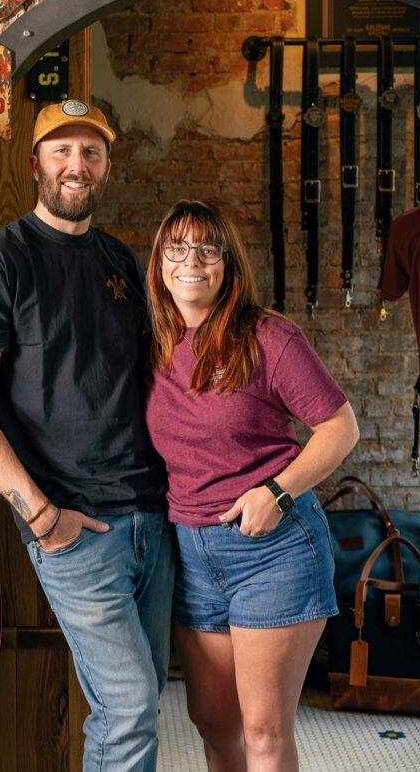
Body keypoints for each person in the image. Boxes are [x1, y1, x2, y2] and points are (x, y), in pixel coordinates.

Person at [0, 100, 173, 772]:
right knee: (129, 707)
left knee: (140, 697)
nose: (78, 165)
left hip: (151, 517)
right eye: (62, 150)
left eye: (92, 152)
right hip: (75, 524)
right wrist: (41, 516)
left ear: (106, 165)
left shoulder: (120, 260)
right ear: (36, 162)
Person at [144, 200, 359, 772]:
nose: (192, 262)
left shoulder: (270, 338)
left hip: (274, 550)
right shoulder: (155, 345)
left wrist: (278, 491)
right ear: (160, 262)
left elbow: (341, 427)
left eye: (207, 250)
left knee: (264, 730)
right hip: (191, 553)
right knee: (213, 722)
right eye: (177, 248)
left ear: (227, 263)